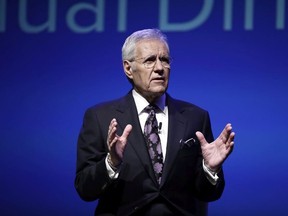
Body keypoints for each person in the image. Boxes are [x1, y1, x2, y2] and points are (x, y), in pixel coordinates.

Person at [75, 28, 235, 216]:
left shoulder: (195, 117)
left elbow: (209, 194)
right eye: (150, 60)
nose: (160, 68)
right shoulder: (99, 117)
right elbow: (85, 189)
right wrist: (111, 162)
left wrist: (210, 169)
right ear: (128, 68)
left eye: (165, 60)